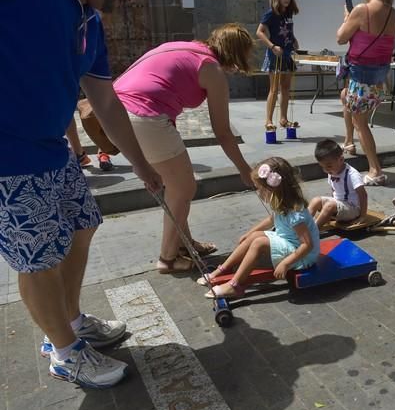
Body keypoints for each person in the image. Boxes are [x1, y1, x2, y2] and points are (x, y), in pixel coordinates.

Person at [0, 0, 162, 389]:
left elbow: (105, 102)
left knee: (82, 227)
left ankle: (70, 321)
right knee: (37, 259)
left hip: (53, 148)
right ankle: (64, 351)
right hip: (9, 153)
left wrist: (143, 166)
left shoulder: (88, 18)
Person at [114, 23, 255, 273]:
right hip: (144, 116)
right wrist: (244, 169)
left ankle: (185, 244)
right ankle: (167, 259)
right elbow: (222, 131)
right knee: (184, 186)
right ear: (237, 53)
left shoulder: (187, 47)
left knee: (174, 186)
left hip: (114, 112)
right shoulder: (212, 69)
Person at [198, 157, 320, 298]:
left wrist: (286, 263)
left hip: (303, 257)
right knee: (255, 236)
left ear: (274, 188)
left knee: (259, 243)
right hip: (290, 243)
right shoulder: (282, 202)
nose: (259, 193)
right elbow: (271, 220)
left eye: (260, 189)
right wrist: (249, 233)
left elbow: (307, 245)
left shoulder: (294, 212)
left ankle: (234, 285)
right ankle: (222, 270)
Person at [337, 0, 395, 186]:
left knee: (360, 123)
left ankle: (375, 169)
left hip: (360, 75)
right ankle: (348, 142)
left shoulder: (361, 10)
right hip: (379, 78)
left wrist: (347, 19)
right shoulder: (394, 14)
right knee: (345, 96)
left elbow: (340, 38)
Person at [256, 0, 300, 131]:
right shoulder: (270, 14)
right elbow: (259, 32)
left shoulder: (289, 13)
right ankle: (268, 120)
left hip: (287, 54)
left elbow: (288, 31)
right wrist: (272, 46)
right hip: (275, 55)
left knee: (286, 88)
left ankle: (283, 118)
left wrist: (294, 40)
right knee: (274, 89)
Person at [308, 139, 368, 229]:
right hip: (339, 206)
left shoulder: (352, 174)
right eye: (322, 167)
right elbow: (333, 190)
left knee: (330, 205)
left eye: (328, 166)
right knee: (315, 200)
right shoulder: (332, 171)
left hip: (353, 209)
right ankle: (303, 224)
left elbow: (363, 195)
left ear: (341, 159)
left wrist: (362, 216)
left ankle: (314, 230)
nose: (326, 170)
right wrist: (329, 212)